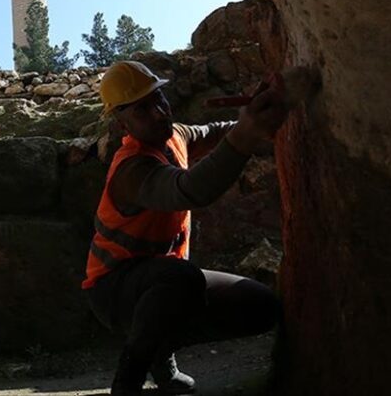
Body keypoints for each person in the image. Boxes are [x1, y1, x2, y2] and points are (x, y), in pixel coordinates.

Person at [83, 60, 291, 395]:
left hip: (159, 282)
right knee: (180, 278)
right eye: (142, 109)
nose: (158, 113)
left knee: (261, 307)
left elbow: (215, 132)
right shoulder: (131, 169)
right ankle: (129, 381)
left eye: (159, 100)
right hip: (113, 291)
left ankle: (160, 354)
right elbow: (191, 188)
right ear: (122, 123)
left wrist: (254, 116)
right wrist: (247, 133)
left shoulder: (174, 135)